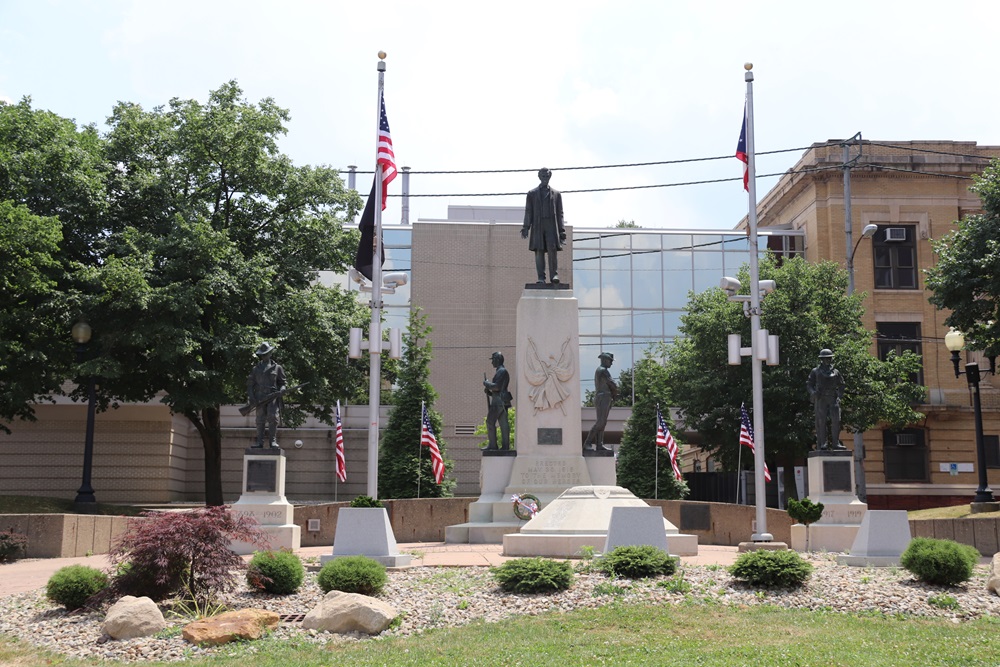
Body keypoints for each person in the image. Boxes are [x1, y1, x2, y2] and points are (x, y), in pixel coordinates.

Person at [521, 167, 566, 284]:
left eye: (547, 176)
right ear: (539, 177)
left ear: (550, 176)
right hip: (538, 225)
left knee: (552, 250)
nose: (545, 178)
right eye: (543, 176)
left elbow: (560, 213)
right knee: (539, 251)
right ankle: (541, 277)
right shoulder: (532, 194)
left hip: (551, 225)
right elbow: (528, 211)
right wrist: (526, 227)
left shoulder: (556, 194)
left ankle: (554, 275)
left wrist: (562, 231)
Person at [247, 342, 287, 449]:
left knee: (273, 418)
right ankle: (259, 442)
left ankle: (272, 441)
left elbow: (282, 383)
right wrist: (251, 397)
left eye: (266, 353)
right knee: (260, 419)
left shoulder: (277, 368)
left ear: (270, 353)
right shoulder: (256, 369)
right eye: (262, 354)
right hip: (259, 397)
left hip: (272, 397)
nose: (264, 356)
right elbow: (250, 384)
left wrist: (282, 390)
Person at [807, 348, 847, 451]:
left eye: (829, 358)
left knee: (836, 421)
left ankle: (835, 443)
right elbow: (809, 384)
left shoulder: (836, 371)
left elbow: (842, 384)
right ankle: (822, 443)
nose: (827, 360)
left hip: (833, 398)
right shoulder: (815, 371)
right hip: (821, 399)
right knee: (822, 421)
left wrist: (839, 396)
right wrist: (813, 393)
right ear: (822, 359)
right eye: (825, 358)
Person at [584, 352, 618, 452]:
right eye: (610, 361)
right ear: (605, 360)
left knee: (603, 422)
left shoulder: (602, 370)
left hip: (605, 397)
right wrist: (615, 393)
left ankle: (599, 445)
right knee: (601, 422)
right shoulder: (603, 370)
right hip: (603, 397)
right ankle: (588, 442)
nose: (611, 363)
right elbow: (613, 384)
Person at [483, 351, 512, 451]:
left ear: (497, 360)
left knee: (490, 422)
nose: (492, 363)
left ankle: (493, 445)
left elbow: (497, 387)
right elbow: (499, 390)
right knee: (504, 425)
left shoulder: (501, 371)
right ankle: (505, 447)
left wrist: (487, 384)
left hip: (498, 403)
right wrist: (490, 393)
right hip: (501, 401)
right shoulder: (501, 371)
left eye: (493, 360)